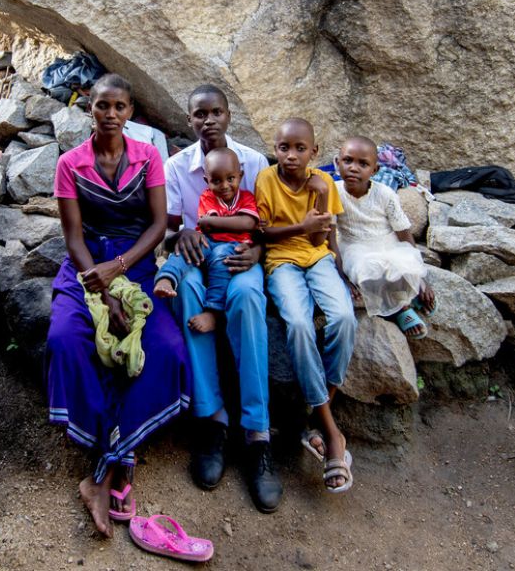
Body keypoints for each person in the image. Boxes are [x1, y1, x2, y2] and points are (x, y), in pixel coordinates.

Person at [45, 74, 191, 538]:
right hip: (86, 263)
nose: (111, 114)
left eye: (120, 107)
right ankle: (116, 461)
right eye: (102, 105)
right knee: (65, 340)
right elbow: (72, 235)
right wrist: (102, 289)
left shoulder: (148, 156)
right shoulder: (71, 163)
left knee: (167, 349)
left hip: (137, 261)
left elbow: (157, 224)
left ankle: (108, 465)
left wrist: (122, 266)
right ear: (89, 107)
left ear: (131, 112)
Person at [163, 85, 281, 513]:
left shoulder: (251, 162)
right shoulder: (177, 166)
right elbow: (170, 229)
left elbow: (266, 224)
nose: (208, 121)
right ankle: (212, 421)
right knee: (189, 289)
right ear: (190, 120)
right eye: (199, 114)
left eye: (216, 113)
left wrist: (258, 251)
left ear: (229, 116)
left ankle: (257, 435)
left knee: (249, 297)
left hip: (241, 258)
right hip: (198, 258)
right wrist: (185, 233)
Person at [255, 117, 357, 493]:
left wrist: (316, 196)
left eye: (300, 149)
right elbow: (262, 232)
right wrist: (301, 224)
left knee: (344, 317)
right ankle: (331, 430)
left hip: (317, 258)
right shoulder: (266, 180)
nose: (292, 155)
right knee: (297, 323)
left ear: (314, 152)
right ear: (276, 149)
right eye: (284, 148)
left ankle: (317, 414)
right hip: (280, 261)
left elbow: (323, 235)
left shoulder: (324, 182)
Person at [335, 136, 435, 338]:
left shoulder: (385, 194)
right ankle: (401, 309)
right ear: (337, 164)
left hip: (385, 241)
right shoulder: (333, 193)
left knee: (402, 262)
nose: (354, 168)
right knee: (368, 269)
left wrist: (422, 275)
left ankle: (416, 289)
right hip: (355, 245)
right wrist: (343, 277)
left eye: (363, 164)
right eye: (348, 161)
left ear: (375, 170)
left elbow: (403, 233)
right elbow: (329, 236)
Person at [154, 147, 260, 334]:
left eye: (231, 179)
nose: (224, 186)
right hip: (207, 241)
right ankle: (166, 278)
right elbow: (207, 227)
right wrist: (231, 223)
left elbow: (248, 222)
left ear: (240, 175)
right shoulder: (207, 197)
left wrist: (215, 222)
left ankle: (213, 311)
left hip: (234, 246)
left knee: (222, 260)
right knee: (185, 252)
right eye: (216, 181)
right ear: (206, 181)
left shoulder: (246, 198)